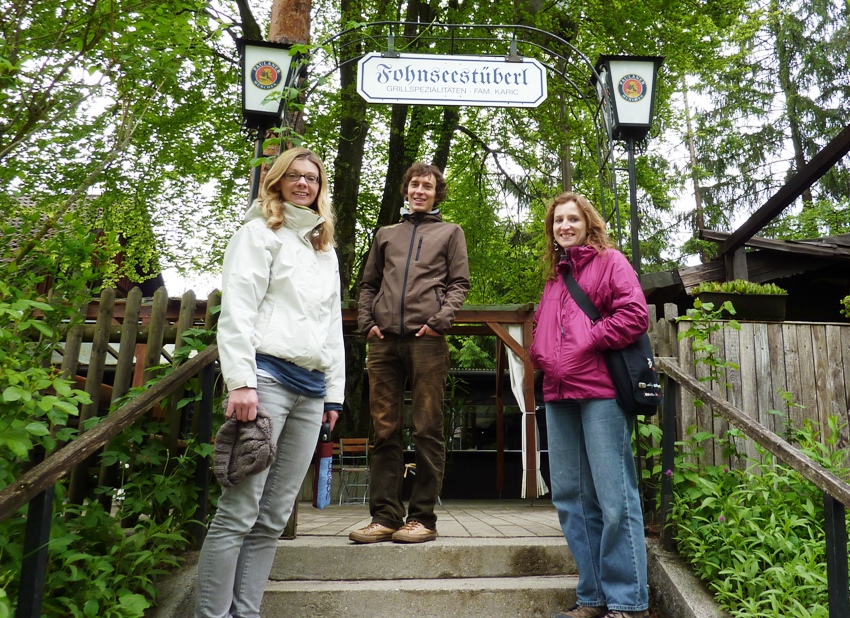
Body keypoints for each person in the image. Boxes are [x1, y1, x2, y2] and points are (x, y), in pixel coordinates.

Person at [196, 147, 345, 618]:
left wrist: (335, 394)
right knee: (240, 510)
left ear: (321, 190)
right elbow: (238, 310)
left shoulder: (324, 252)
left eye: (313, 178)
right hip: (267, 381)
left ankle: (247, 612)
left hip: (312, 390)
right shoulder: (257, 235)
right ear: (277, 182)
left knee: (273, 518)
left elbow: (332, 329)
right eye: (295, 176)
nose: (304, 184)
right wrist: (241, 381)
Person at [530, 192, 650, 618]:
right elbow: (541, 328)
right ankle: (593, 595)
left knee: (614, 497)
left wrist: (589, 340)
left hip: (600, 392)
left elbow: (635, 314)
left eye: (572, 219)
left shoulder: (611, 262)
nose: (564, 226)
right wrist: (539, 353)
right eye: (557, 221)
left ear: (587, 223)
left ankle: (627, 601)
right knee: (569, 497)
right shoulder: (553, 278)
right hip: (558, 395)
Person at [349, 162, 469, 544]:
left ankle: (422, 519)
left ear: (437, 193)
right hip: (383, 343)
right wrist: (367, 324)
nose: (420, 191)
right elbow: (368, 285)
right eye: (414, 184)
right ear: (406, 189)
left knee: (427, 428)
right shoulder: (385, 234)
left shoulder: (451, 233)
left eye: (428, 186)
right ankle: (384, 516)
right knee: (384, 430)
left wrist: (440, 320)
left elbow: (459, 282)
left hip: (427, 340)